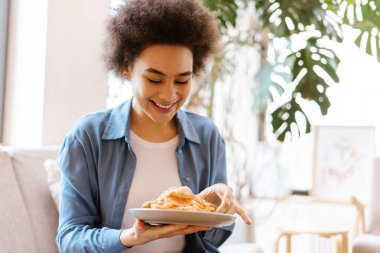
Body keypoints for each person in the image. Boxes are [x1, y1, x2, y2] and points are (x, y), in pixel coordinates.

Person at [56, 0, 252, 252]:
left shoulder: (207, 135)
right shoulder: (88, 136)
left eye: (182, 80)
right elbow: (70, 240)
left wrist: (217, 208)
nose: (168, 95)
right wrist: (129, 237)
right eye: (154, 79)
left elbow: (212, 240)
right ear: (127, 67)